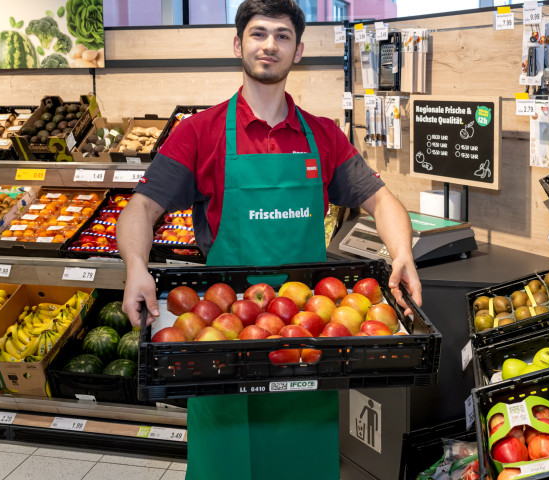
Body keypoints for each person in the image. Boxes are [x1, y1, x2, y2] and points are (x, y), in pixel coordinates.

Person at [117, 1, 421, 478]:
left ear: (297, 51)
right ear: (238, 44)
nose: (269, 45)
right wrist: (136, 266)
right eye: (258, 33)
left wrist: (402, 254)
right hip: (223, 333)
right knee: (227, 463)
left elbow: (383, 202)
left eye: (282, 36)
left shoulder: (323, 136)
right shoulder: (199, 133)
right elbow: (140, 209)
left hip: (308, 335)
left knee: (302, 458)